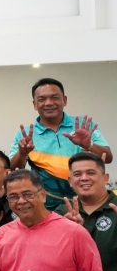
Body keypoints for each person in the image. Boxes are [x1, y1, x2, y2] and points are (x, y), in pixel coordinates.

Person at [10, 77, 112, 210]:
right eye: (42, 99)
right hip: (47, 206)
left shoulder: (83, 125)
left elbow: (108, 157)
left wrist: (89, 146)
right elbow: (13, 169)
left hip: (88, 203)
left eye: (55, 97)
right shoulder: (25, 134)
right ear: (35, 104)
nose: (48, 103)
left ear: (64, 100)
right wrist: (22, 153)